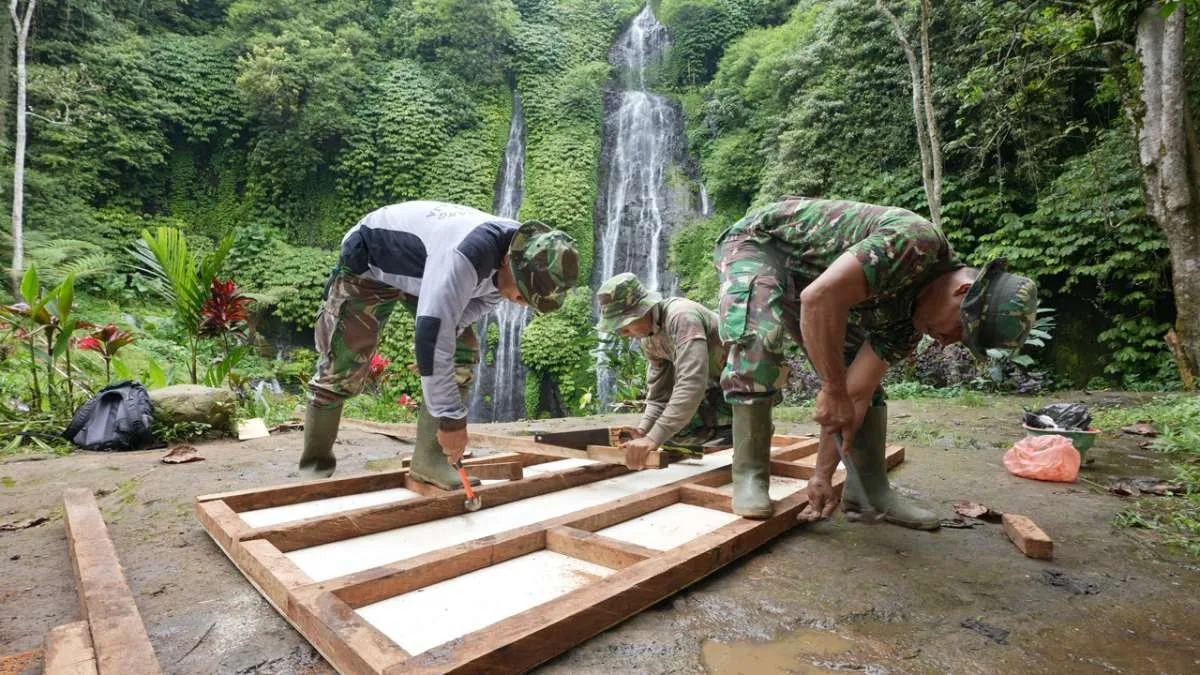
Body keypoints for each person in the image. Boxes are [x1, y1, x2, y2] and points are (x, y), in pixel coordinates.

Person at [714, 196, 1038, 526]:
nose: (946, 341)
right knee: (758, 337)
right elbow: (819, 298)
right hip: (761, 245)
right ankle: (750, 473)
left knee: (856, 379)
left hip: (816, 284)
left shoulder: (906, 329)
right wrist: (833, 388)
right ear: (962, 291)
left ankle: (867, 489)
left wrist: (822, 476)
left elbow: (854, 393)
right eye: (960, 330)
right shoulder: (914, 243)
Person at [300, 201, 579, 488]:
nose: (522, 302)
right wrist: (451, 420)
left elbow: (472, 307)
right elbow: (434, 333)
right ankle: (315, 466)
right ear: (510, 261)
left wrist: (437, 351)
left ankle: (430, 463)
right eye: (523, 292)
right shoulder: (466, 256)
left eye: (532, 299)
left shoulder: (525, 255)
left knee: (459, 350)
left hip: (428, 271)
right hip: (372, 258)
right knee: (344, 363)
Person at [595, 273, 732, 469]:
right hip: (715, 389)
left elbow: (691, 384)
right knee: (669, 432)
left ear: (644, 310)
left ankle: (751, 430)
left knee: (668, 430)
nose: (623, 333)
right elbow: (659, 397)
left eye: (623, 324)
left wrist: (653, 438)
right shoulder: (649, 339)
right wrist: (643, 432)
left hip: (748, 385)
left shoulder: (682, 317)